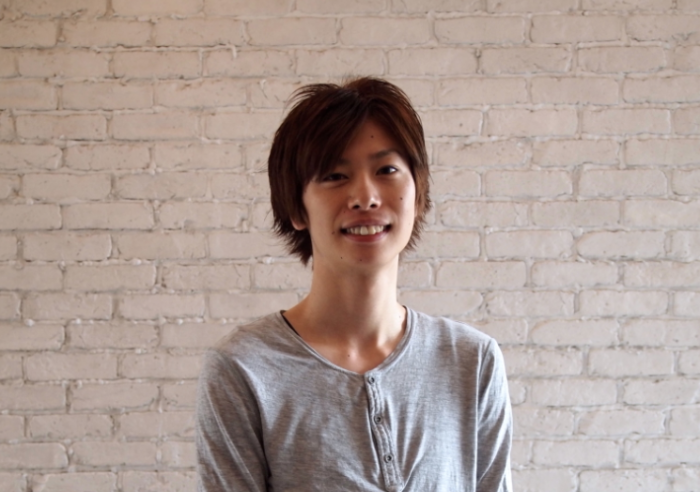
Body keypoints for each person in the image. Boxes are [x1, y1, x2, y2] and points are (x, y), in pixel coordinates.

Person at [196, 77, 513, 491]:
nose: (365, 196)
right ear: (296, 207)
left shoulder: (472, 360)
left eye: (387, 170)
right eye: (334, 175)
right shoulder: (243, 369)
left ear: (418, 194)